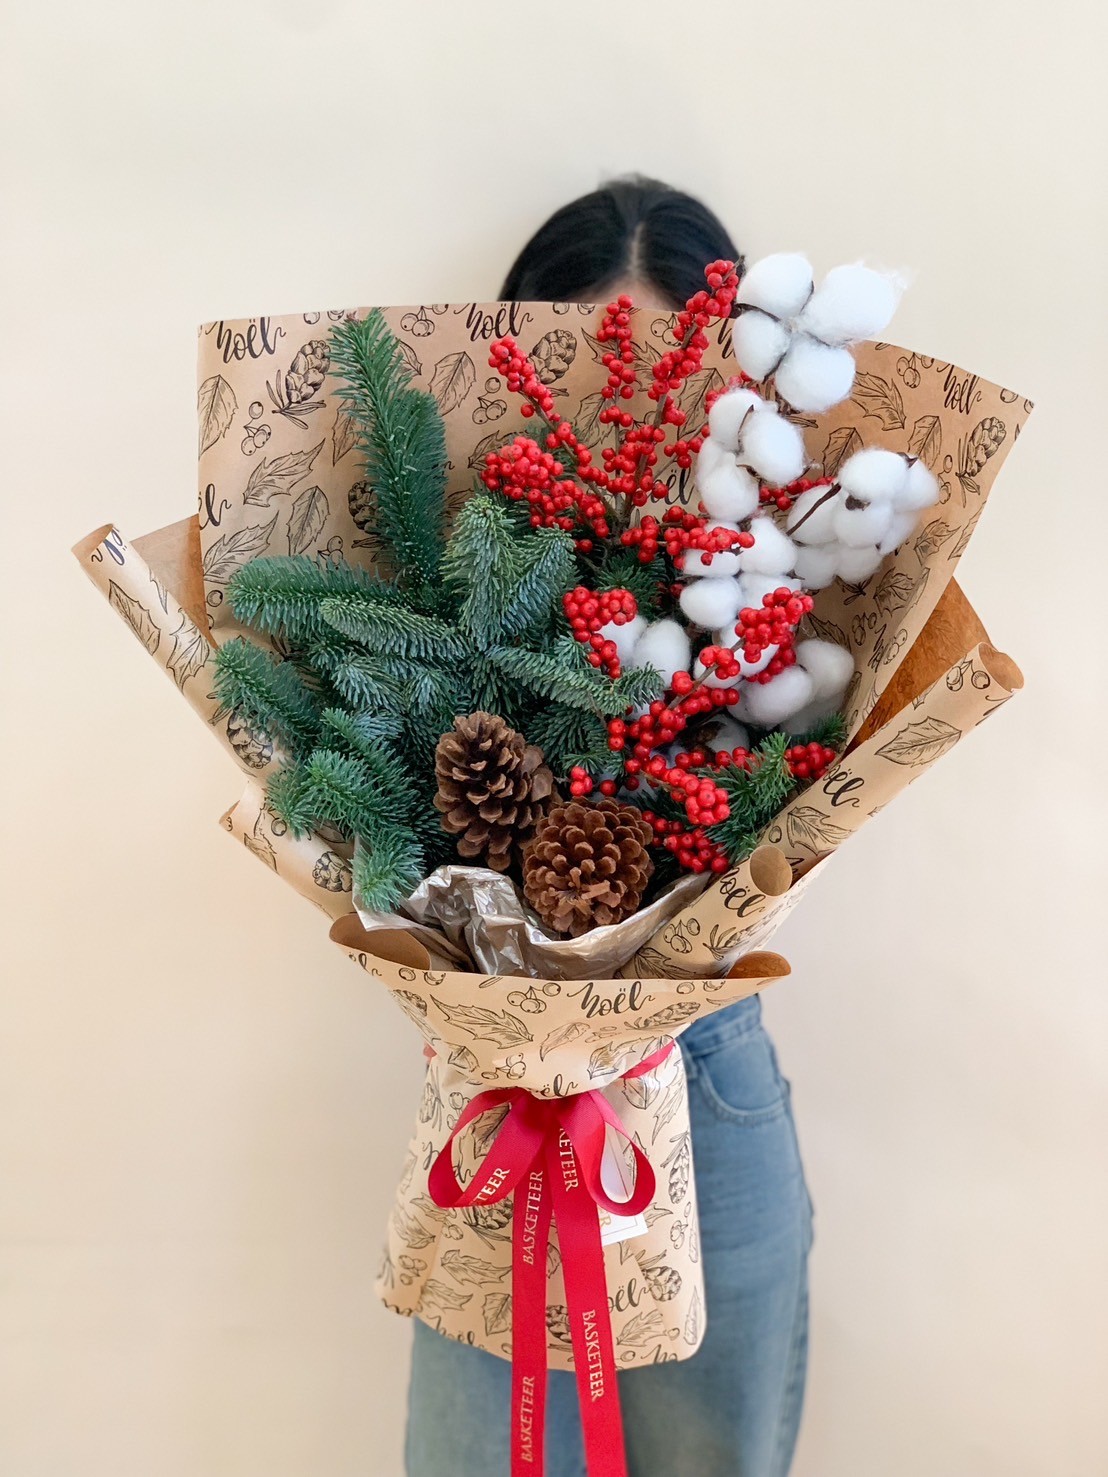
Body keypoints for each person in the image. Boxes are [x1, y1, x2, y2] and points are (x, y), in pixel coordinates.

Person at [404, 177, 814, 1477]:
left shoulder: (784, 598)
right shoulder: (444, 595)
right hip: (509, 1094)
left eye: (662, 378)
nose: (622, 419)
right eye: (582, 371)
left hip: (712, 1071)